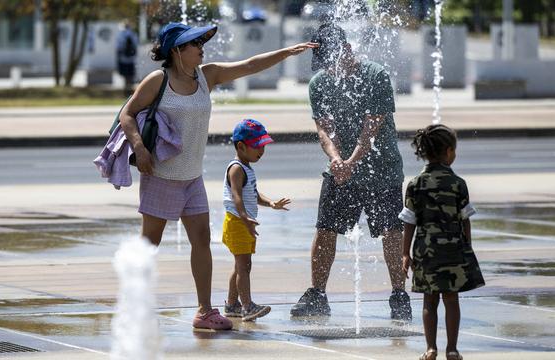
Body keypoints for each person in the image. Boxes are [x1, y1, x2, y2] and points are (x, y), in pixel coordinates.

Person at [118, 22, 316, 330]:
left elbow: (249, 65)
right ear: (177, 51)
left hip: (192, 178)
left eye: (200, 43)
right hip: (162, 175)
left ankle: (205, 311)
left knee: (201, 240)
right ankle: (132, 302)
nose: (201, 48)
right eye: (194, 44)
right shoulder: (158, 80)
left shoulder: (205, 75)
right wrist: (140, 149)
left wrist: (285, 53)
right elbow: (127, 114)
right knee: (149, 244)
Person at [290, 23, 412, 321]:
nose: (330, 70)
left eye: (332, 62)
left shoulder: (376, 75)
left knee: (390, 232)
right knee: (325, 229)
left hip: (382, 170)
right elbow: (324, 128)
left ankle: (399, 295)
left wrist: (352, 161)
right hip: (340, 170)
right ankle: (317, 293)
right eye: (324, 65)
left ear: (346, 49)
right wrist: (336, 160)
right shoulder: (319, 83)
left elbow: (373, 125)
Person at [400, 124, 485, 360]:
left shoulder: (415, 184)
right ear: (448, 152)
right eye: (454, 151)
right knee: (451, 299)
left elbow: (409, 221)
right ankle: (452, 348)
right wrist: (467, 247)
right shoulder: (458, 183)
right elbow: (465, 220)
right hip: (454, 250)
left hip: (425, 250)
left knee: (430, 300)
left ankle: (430, 348)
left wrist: (405, 253)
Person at [221, 119, 291, 322]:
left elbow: (253, 194)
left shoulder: (246, 167)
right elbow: (237, 197)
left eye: (263, 146)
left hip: (242, 221)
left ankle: (232, 305)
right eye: (257, 147)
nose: (261, 151)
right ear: (241, 146)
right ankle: (247, 306)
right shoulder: (236, 169)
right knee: (244, 266)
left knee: (240, 265)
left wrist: (272, 203)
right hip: (237, 222)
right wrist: (245, 218)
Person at [116, 23, 139, 96]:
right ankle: (130, 92)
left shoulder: (120, 34)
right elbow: (136, 46)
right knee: (131, 76)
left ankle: (126, 91)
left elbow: (118, 48)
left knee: (125, 76)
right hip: (131, 59)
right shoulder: (133, 34)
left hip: (123, 59)